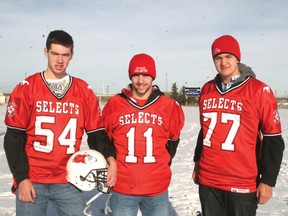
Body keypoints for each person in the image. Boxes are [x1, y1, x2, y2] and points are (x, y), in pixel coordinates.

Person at [4, 30, 117, 216]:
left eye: (65, 55)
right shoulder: (27, 88)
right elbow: (13, 138)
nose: (59, 60)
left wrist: (111, 159)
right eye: (55, 53)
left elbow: (96, 134)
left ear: (72, 55)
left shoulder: (83, 91)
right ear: (45, 52)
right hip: (33, 179)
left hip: (69, 180)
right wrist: (22, 178)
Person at [192, 35, 285, 216]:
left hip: (242, 182)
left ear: (237, 58)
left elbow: (273, 139)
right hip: (209, 179)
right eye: (218, 58)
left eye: (228, 57)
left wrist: (268, 180)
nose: (223, 62)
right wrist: (197, 163)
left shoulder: (259, 90)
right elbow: (205, 130)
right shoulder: (207, 89)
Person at [102, 53, 185, 216]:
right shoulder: (115, 104)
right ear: (130, 76)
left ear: (153, 76)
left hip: (157, 188)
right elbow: (105, 139)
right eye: (136, 75)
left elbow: (173, 140)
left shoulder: (168, 106)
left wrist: (161, 165)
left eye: (145, 75)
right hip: (123, 187)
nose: (141, 81)